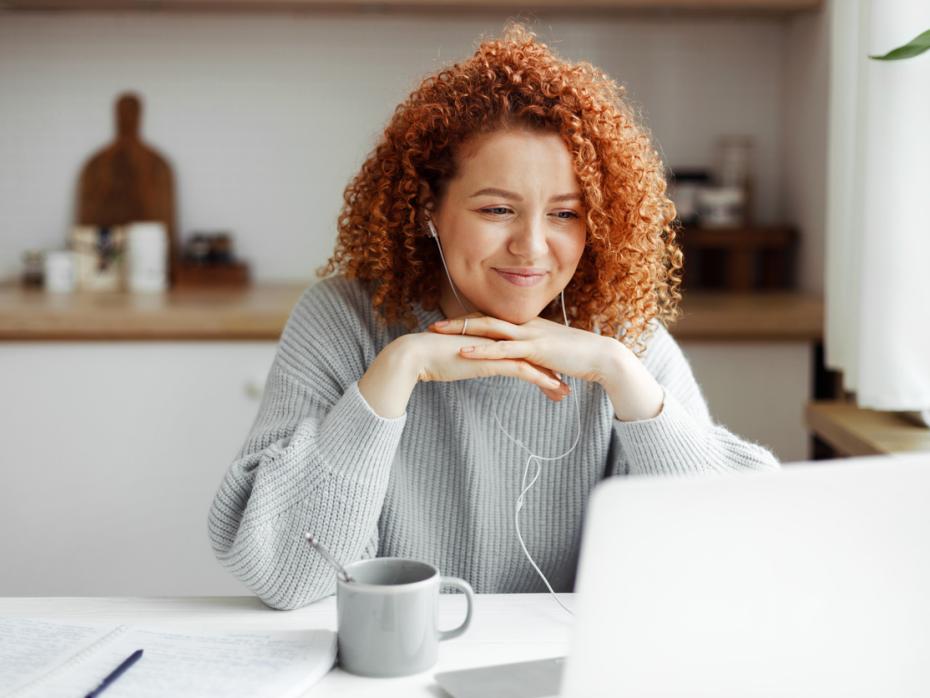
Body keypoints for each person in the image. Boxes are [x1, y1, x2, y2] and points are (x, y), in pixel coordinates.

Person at [207, 23, 779, 611]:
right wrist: (395, 372)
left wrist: (619, 372)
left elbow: (730, 560)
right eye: (499, 209)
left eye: (564, 214)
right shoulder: (341, 320)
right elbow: (286, 576)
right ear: (429, 208)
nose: (532, 247)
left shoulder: (622, 335)